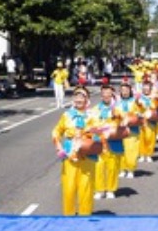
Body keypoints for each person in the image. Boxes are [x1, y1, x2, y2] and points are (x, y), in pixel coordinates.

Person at [51, 83, 102, 216]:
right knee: (69, 189)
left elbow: (99, 134)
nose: (79, 99)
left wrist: (91, 133)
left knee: (86, 188)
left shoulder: (93, 115)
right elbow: (56, 132)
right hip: (70, 158)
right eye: (76, 96)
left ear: (87, 99)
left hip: (87, 156)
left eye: (82, 96)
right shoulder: (66, 115)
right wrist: (59, 148)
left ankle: (85, 217)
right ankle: (69, 217)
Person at [90, 78, 128, 200]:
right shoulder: (96, 109)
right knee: (99, 167)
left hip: (114, 142)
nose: (106, 96)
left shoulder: (118, 108)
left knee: (112, 167)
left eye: (108, 93)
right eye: (104, 94)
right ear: (101, 96)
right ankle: (100, 190)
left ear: (112, 94)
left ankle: (111, 189)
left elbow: (124, 120)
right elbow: (91, 124)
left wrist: (117, 117)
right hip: (99, 143)